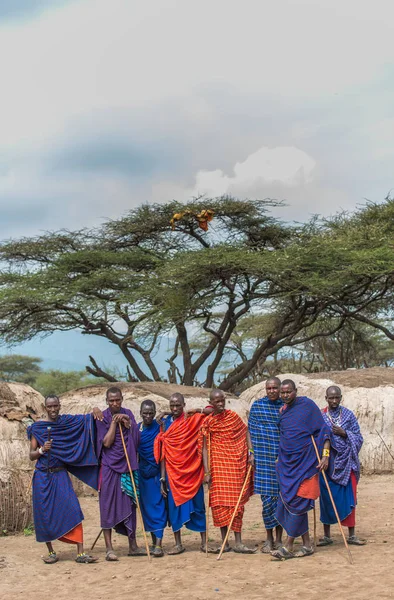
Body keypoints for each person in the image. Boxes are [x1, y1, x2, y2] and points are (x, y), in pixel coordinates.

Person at [27, 395, 99, 564]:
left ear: (60, 406)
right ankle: (51, 552)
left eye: (55, 406)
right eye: (49, 406)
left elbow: (86, 420)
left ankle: (80, 554)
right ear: (45, 408)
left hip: (60, 474)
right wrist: (42, 450)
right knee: (44, 514)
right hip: (42, 476)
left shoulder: (66, 422)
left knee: (73, 509)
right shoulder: (37, 428)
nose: (53, 409)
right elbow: (31, 455)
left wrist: (95, 411)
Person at [271, 379, 331, 560]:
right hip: (288, 465)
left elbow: (324, 431)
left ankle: (288, 545)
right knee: (292, 504)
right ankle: (306, 544)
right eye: (282, 392)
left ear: (295, 391)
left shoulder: (307, 406)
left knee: (299, 503)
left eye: (288, 392)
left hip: (306, 464)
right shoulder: (283, 412)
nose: (284, 395)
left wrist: (325, 455)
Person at [200, 390, 256, 554]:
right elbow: (204, 448)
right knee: (219, 505)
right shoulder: (208, 423)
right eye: (216, 401)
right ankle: (225, 541)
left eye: (222, 400)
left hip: (234, 466)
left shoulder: (233, 417)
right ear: (210, 401)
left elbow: (245, 432)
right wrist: (206, 471)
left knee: (236, 505)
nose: (220, 403)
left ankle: (238, 542)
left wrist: (250, 452)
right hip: (217, 468)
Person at [95, 386, 146, 561]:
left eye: (117, 400)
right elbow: (107, 443)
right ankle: (109, 548)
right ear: (107, 401)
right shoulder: (102, 417)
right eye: (111, 401)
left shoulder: (129, 413)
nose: (115, 403)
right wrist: (114, 424)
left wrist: (127, 423)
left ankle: (133, 546)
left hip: (128, 467)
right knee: (107, 505)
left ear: (122, 399)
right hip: (109, 468)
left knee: (130, 505)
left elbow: (136, 439)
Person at [154, 393, 208, 554]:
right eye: (172, 405)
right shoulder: (165, 423)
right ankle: (178, 544)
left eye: (178, 405)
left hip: (192, 471)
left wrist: (196, 409)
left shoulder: (192, 418)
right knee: (174, 507)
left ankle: (204, 542)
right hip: (173, 474)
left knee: (198, 506)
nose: (175, 408)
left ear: (184, 405)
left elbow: (211, 411)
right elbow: (163, 453)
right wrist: (162, 478)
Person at [318, 385, 366, 547]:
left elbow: (358, 437)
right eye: (330, 398)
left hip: (347, 462)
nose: (333, 400)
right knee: (326, 498)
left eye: (336, 397)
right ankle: (326, 535)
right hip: (328, 463)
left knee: (350, 496)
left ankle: (351, 535)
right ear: (326, 398)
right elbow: (317, 437)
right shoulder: (321, 416)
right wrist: (324, 455)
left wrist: (344, 433)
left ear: (340, 398)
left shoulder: (348, 416)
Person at [248, 377, 284, 553]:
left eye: (274, 388)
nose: (272, 391)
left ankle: (279, 539)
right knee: (267, 502)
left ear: (279, 388)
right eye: (269, 388)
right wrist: (251, 452)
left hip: (282, 461)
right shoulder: (257, 406)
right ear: (265, 389)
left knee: (281, 501)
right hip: (263, 461)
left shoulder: (285, 407)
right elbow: (250, 430)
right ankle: (268, 538)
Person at [138, 399, 168, 557]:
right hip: (143, 476)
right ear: (140, 413)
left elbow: (163, 455)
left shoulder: (160, 427)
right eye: (145, 413)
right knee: (147, 510)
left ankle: (159, 544)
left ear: (155, 413)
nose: (148, 416)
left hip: (157, 474)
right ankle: (153, 540)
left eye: (151, 413)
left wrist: (163, 478)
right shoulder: (137, 429)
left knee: (158, 508)